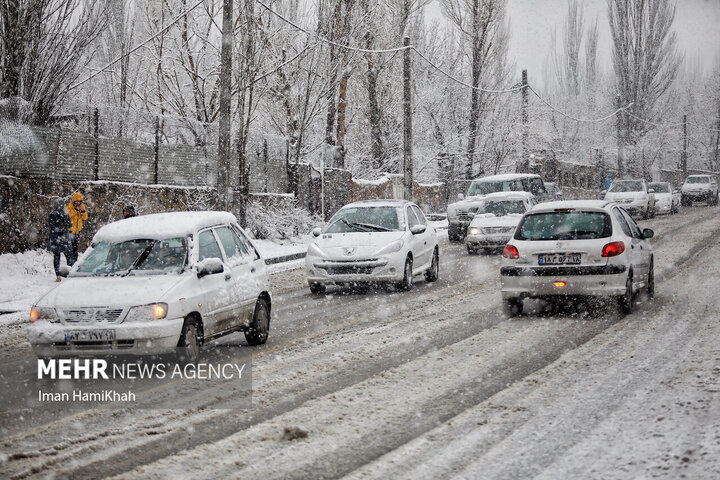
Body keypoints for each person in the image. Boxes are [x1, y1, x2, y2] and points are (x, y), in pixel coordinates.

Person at [47, 199, 73, 282]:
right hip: (64, 237)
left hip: (55, 238)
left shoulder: (51, 214)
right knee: (68, 256)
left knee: (56, 256)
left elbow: (50, 225)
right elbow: (69, 224)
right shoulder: (65, 214)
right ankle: (70, 273)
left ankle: (58, 275)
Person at [66, 192, 88, 263]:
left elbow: (85, 218)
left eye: (79, 202)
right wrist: (76, 211)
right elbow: (67, 216)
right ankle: (69, 263)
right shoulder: (69, 207)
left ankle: (74, 262)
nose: (78, 204)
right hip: (70, 231)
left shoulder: (82, 207)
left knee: (75, 249)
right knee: (70, 249)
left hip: (77, 231)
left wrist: (83, 212)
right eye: (76, 202)